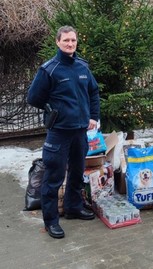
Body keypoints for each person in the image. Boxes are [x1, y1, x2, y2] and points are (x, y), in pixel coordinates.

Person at [27, 26, 100, 238]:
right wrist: (53, 110)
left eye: (73, 40)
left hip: (80, 131)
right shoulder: (49, 69)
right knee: (54, 177)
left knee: (77, 172)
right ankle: (51, 222)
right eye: (66, 40)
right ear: (57, 42)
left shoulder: (82, 67)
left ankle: (73, 208)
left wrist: (93, 117)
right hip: (59, 132)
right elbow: (34, 98)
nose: (70, 44)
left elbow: (93, 92)